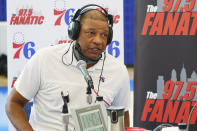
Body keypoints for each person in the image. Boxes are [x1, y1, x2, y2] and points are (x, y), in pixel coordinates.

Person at [6, 4, 131, 131]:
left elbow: (122, 116)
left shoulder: (118, 70)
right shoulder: (45, 59)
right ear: (74, 32)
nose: (98, 41)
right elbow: (13, 103)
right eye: (91, 33)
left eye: (104, 35)